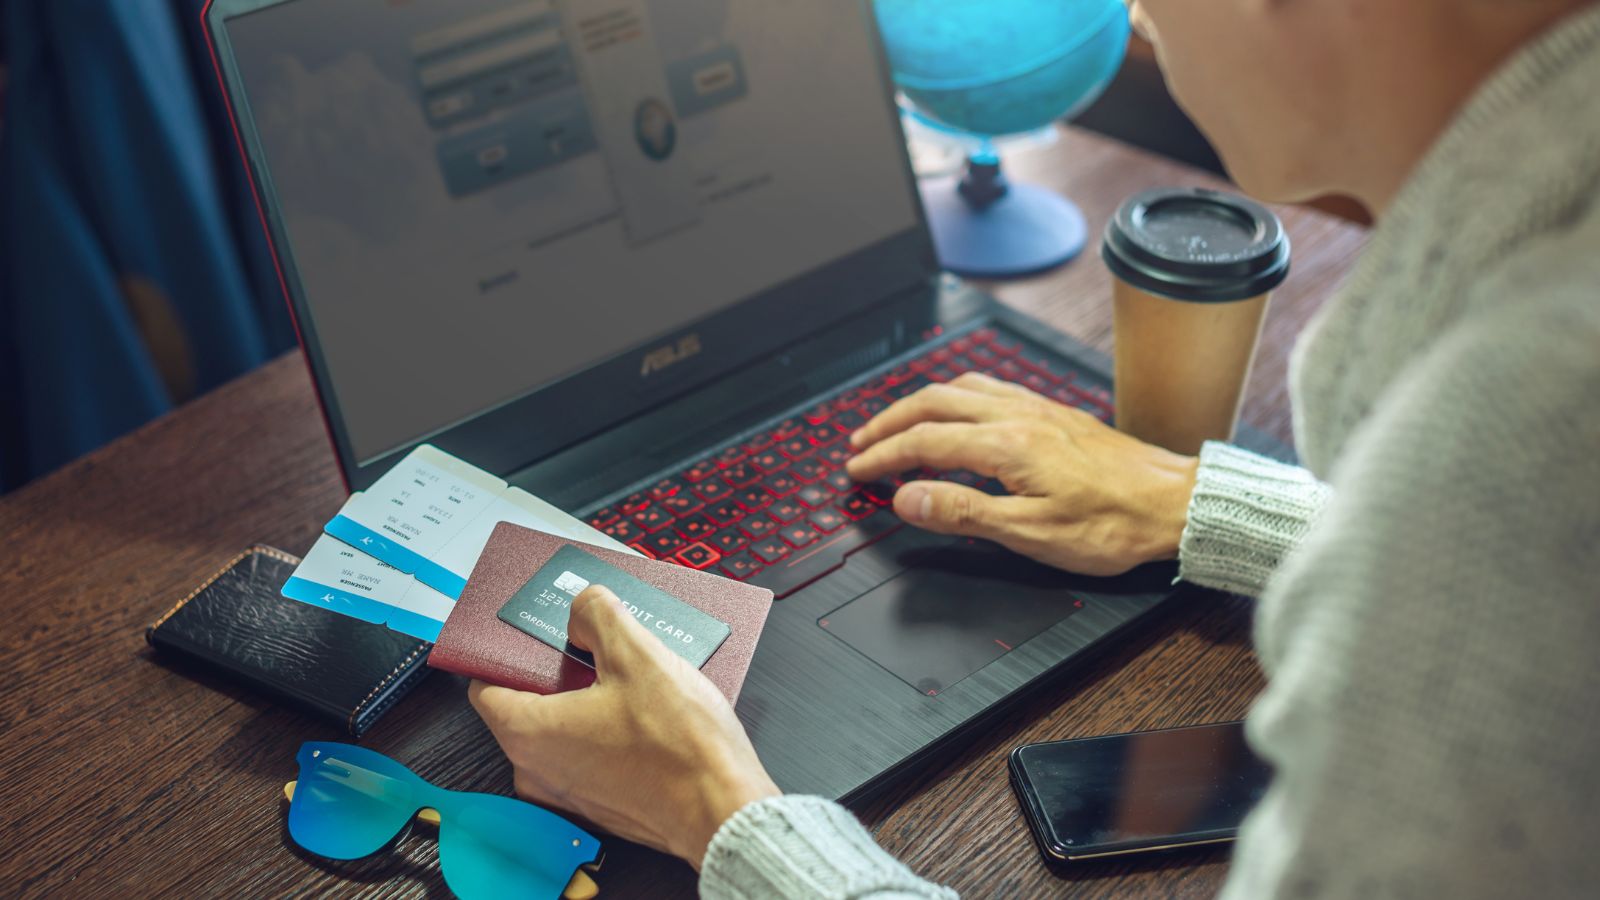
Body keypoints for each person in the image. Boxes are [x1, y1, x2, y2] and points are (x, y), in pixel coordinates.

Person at [469, 0, 1600, 895]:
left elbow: (1509, 531)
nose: (1134, 17)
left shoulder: (1514, 431)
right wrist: (1204, 503)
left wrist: (724, 819)